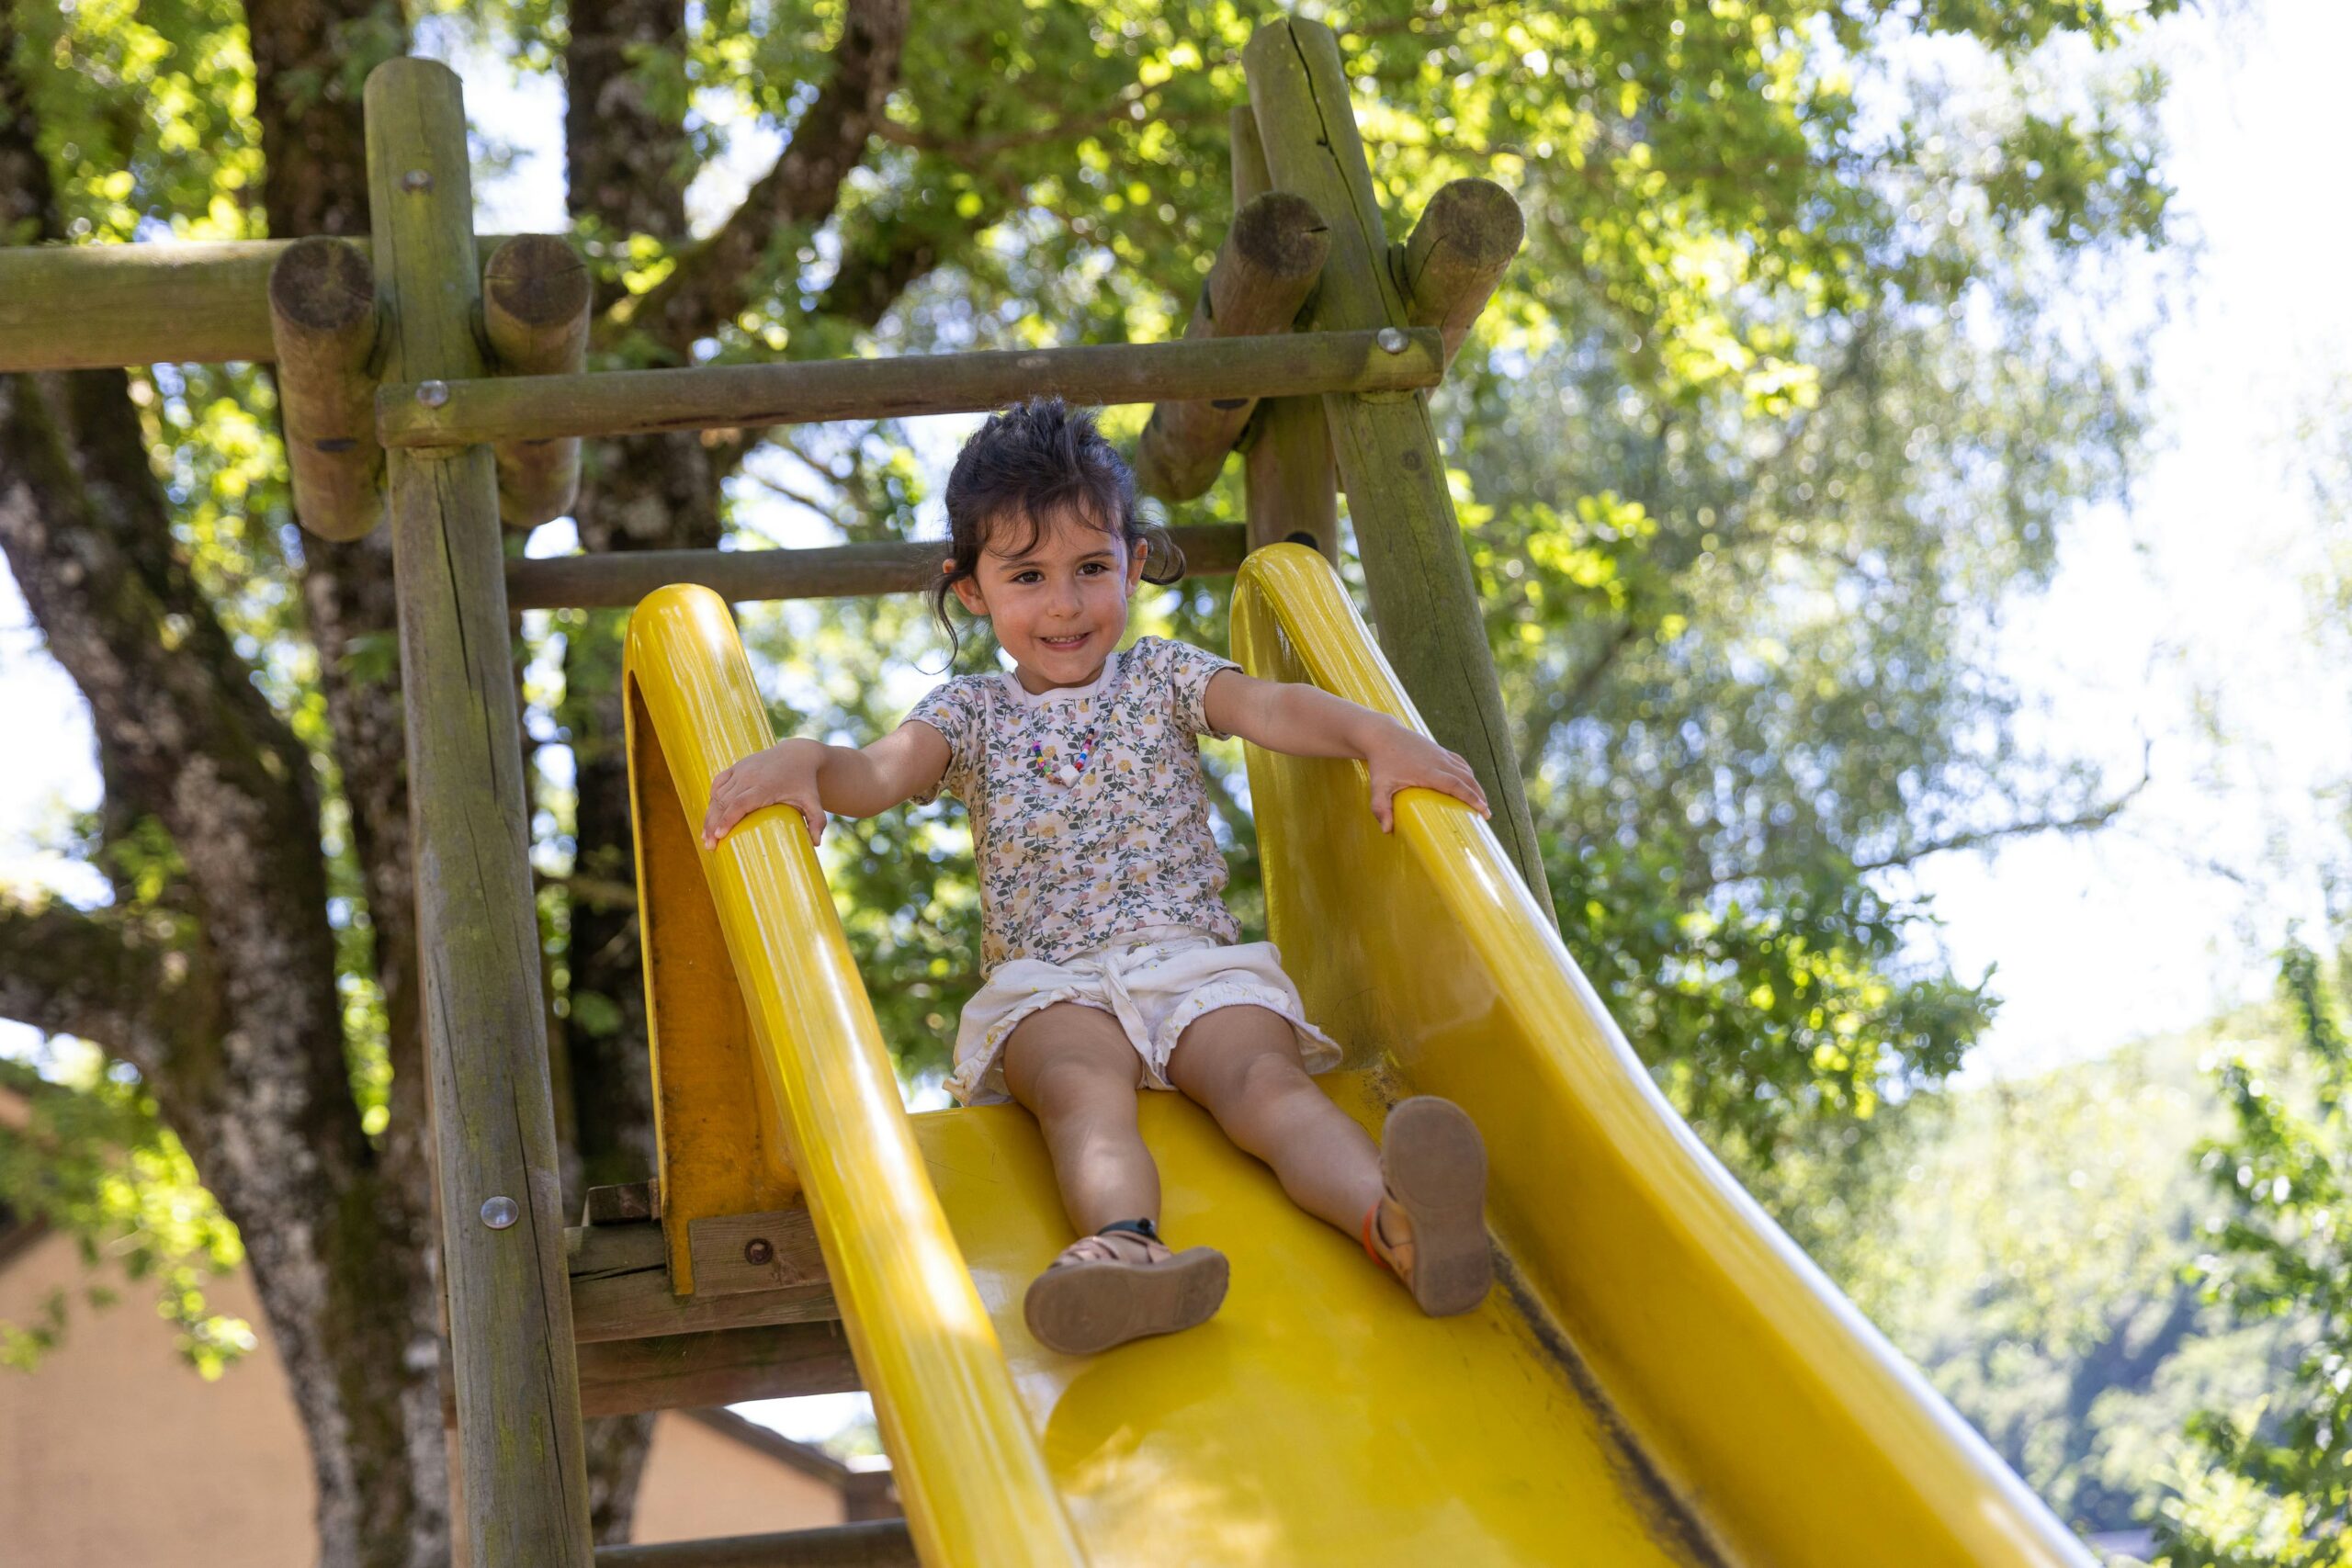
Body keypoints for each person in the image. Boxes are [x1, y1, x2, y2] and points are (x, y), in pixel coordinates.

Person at [701, 399, 1495, 1355]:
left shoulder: (1163, 677)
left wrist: (1380, 737)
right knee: (1080, 1093)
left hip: (1193, 966)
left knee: (1267, 1083)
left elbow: (1273, 708)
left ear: (1133, 563)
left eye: (1090, 567)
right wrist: (807, 760)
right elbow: (876, 775)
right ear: (972, 592)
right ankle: (1126, 1248)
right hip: (1052, 986)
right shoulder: (969, 713)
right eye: (1027, 576)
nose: (1065, 604)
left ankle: (1395, 1221)